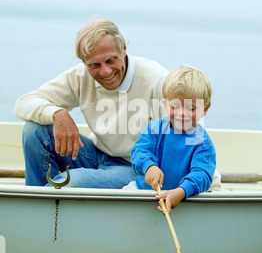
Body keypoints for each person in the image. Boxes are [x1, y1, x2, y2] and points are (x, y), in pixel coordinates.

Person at [14, 19, 169, 188]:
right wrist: (57, 113)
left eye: (111, 60)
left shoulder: (158, 79)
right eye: (94, 65)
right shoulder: (80, 76)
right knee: (35, 131)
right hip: (96, 155)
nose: (105, 71)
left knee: (70, 182)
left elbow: (186, 137)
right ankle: (37, 203)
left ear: (123, 47)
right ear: (84, 62)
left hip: (137, 168)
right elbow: (23, 103)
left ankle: (43, 204)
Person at [124, 65, 220, 213]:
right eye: (175, 106)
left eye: (191, 108)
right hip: (144, 191)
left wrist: (182, 191)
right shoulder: (154, 129)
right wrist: (149, 166)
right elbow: (139, 151)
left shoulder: (201, 142)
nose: (182, 113)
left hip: (185, 197)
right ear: (165, 105)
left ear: (205, 109)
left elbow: (202, 174)